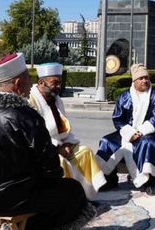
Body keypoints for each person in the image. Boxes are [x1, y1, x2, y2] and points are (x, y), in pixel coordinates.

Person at [0, 53, 95, 230]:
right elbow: (51, 169)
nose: (31, 84)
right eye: (28, 79)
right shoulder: (27, 117)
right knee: (73, 191)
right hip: (12, 200)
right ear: (18, 84)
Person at [28, 62, 106, 200]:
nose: (58, 86)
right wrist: (57, 148)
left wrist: (68, 143)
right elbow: (36, 134)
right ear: (41, 82)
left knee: (86, 152)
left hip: (62, 145)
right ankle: (69, 200)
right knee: (61, 163)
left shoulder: (56, 99)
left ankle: (86, 196)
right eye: (55, 83)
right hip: (44, 151)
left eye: (60, 82)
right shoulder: (31, 101)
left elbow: (63, 128)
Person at [96, 63, 155, 195]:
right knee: (106, 141)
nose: (144, 81)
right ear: (134, 81)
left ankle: (148, 182)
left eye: (146, 78)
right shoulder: (124, 96)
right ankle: (109, 179)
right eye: (141, 78)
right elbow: (117, 118)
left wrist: (140, 132)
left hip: (149, 132)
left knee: (147, 144)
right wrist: (129, 133)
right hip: (127, 131)